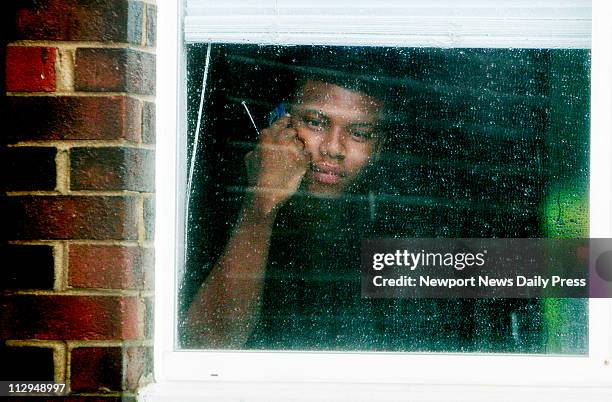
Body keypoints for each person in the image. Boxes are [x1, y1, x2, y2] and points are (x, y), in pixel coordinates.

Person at [183, 74, 394, 349]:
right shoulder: (212, 215)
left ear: (378, 148)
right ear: (279, 122)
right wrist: (261, 205)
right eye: (316, 123)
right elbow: (204, 351)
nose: (333, 148)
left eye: (358, 134)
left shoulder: (396, 230)